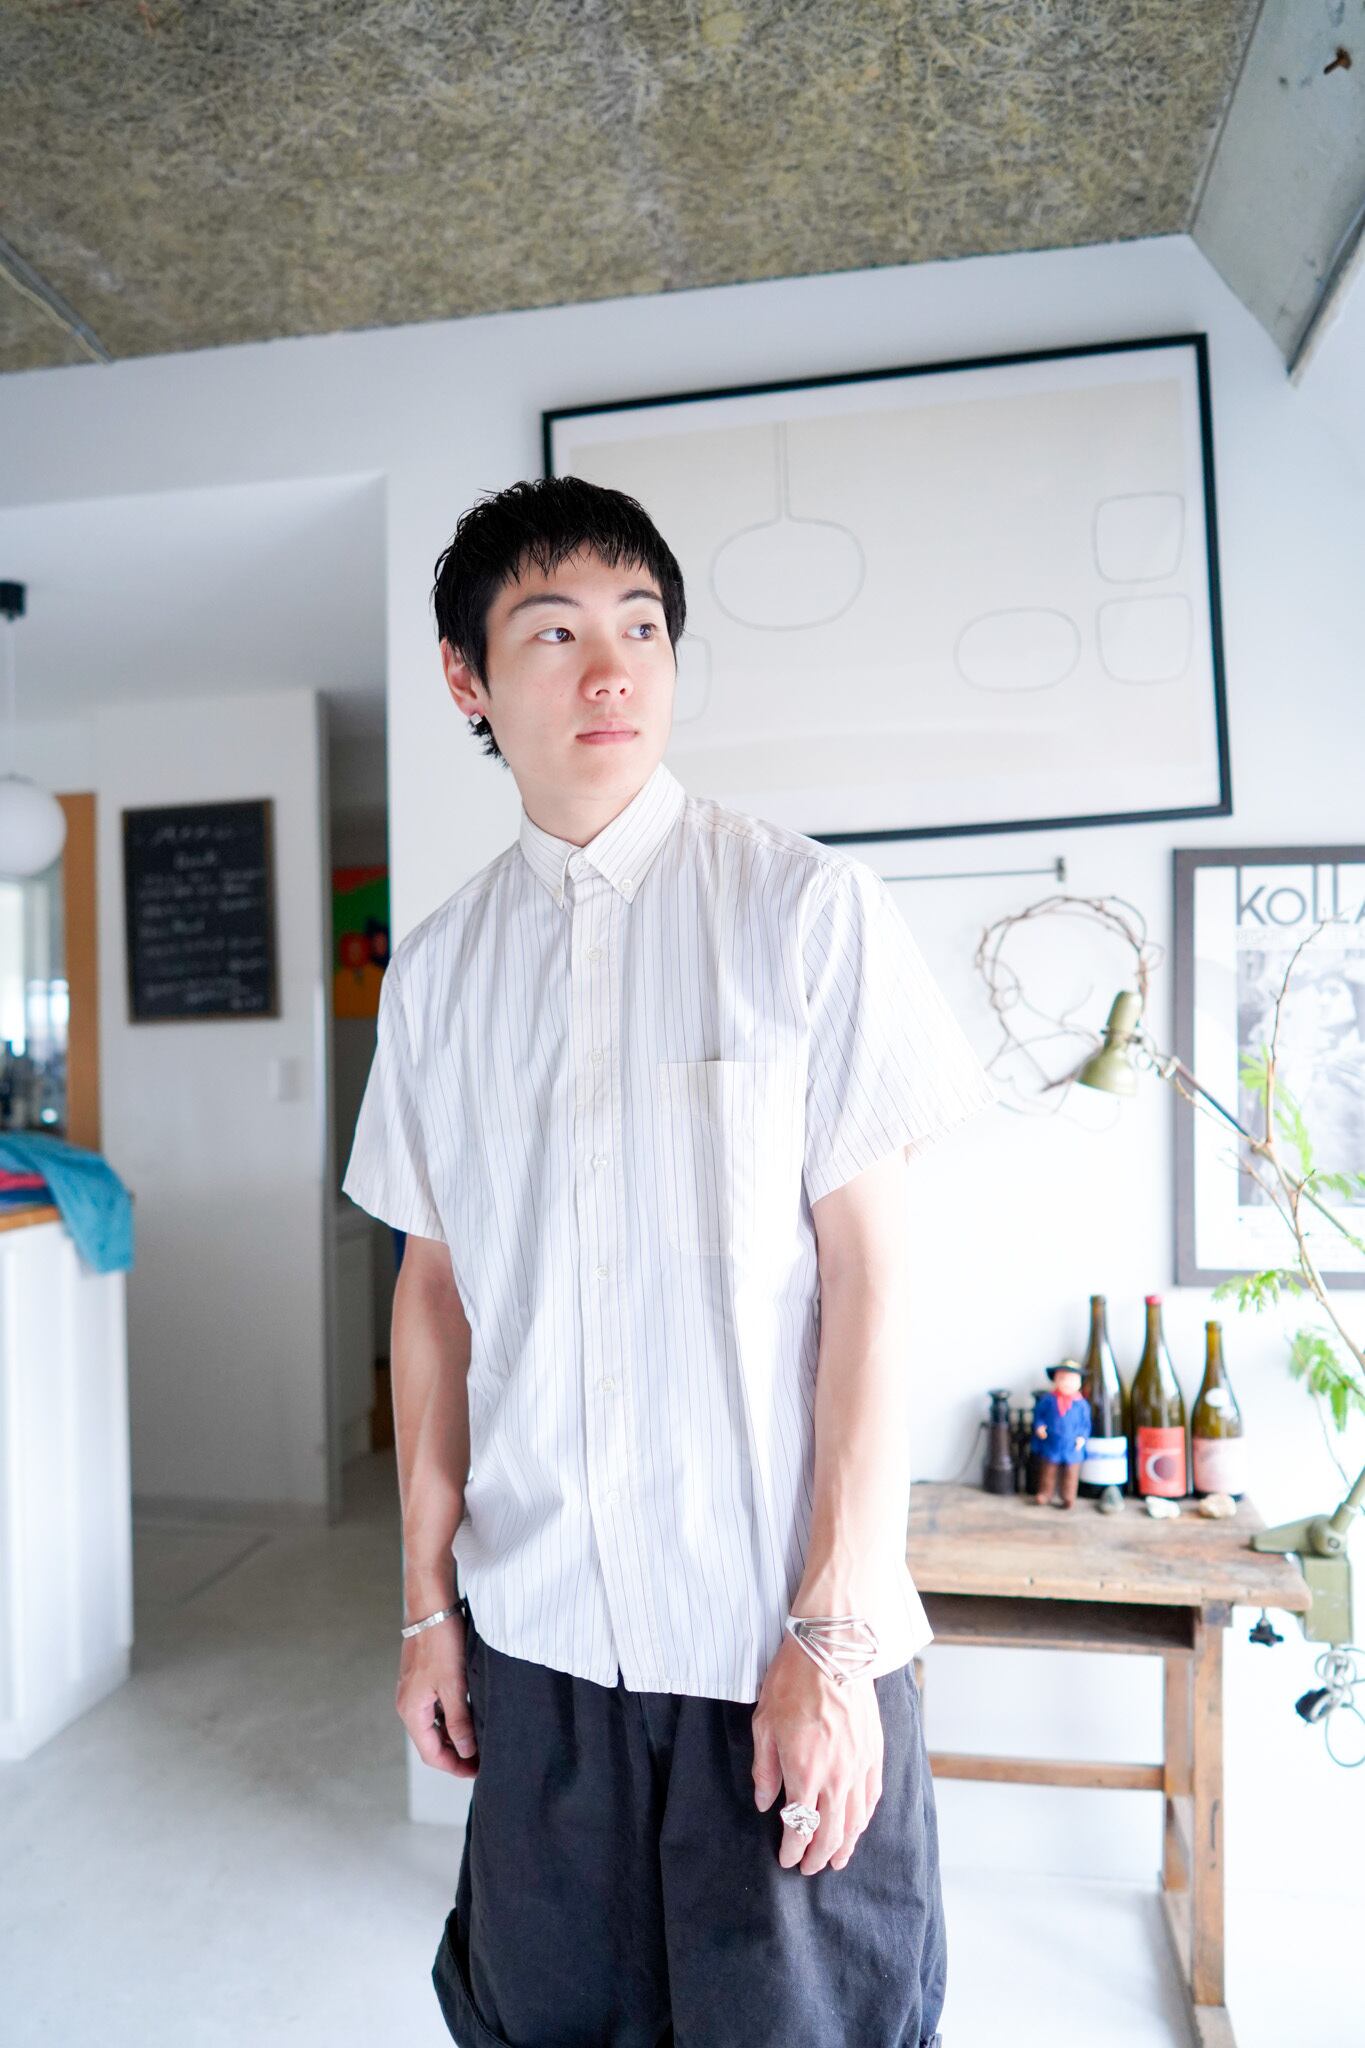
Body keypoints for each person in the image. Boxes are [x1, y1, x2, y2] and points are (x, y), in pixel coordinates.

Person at [342, 475, 998, 2047]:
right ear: (466, 679)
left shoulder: (804, 911)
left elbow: (876, 1286)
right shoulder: (436, 977)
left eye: (641, 628)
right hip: (540, 1647)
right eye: (555, 632)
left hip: (771, 1645)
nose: (610, 670)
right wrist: (427, 1610)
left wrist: (832, 1638)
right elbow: (433, 1297)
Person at [1030, 1359, 1092, 1509]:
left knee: (1071, 1473)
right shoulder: (1048, 1400)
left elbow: (1086, 1424)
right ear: (1055, 1380)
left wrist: (1082, 1438)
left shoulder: (1081, 1404)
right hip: (1052, 1443)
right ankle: (1045, 1494)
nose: (1067, 1383)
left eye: (1072, 1380)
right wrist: (1039, 1427)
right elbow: (1039, 1415)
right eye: (1063, 1378)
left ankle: (1068, 1496)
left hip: (1072, 1446)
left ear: (1079, 1382)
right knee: (1048, 1471)